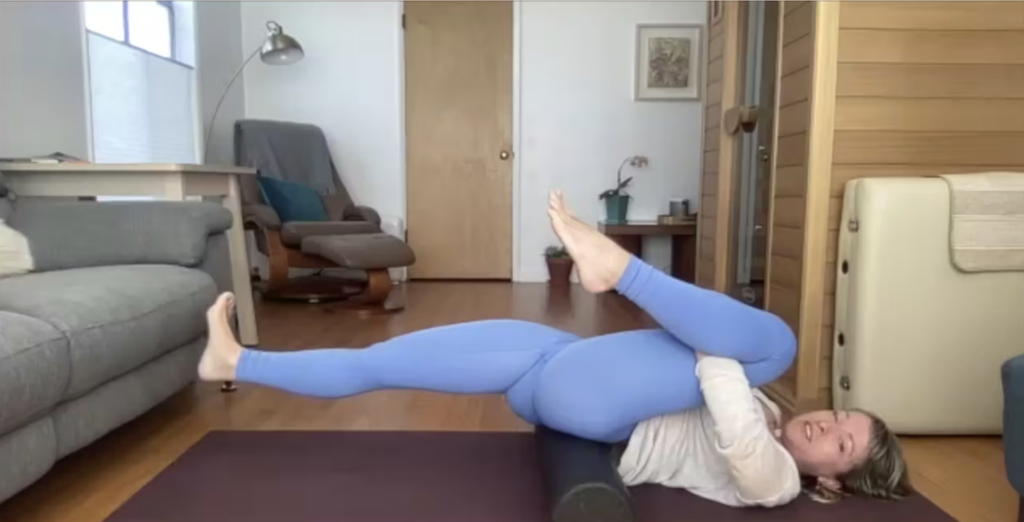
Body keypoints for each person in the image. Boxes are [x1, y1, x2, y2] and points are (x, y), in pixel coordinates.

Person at [198, 191, 912, 508]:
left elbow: (728, 409)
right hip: (556, 369)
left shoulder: (777, 479)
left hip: (600, 415)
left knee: (773, 343)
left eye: (842, 446)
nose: (826, 425)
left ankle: (621, 273)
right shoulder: (767, 399)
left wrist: (706, 345)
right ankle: (236, 363)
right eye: (842, 416)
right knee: (378, 362)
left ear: (832, 484)